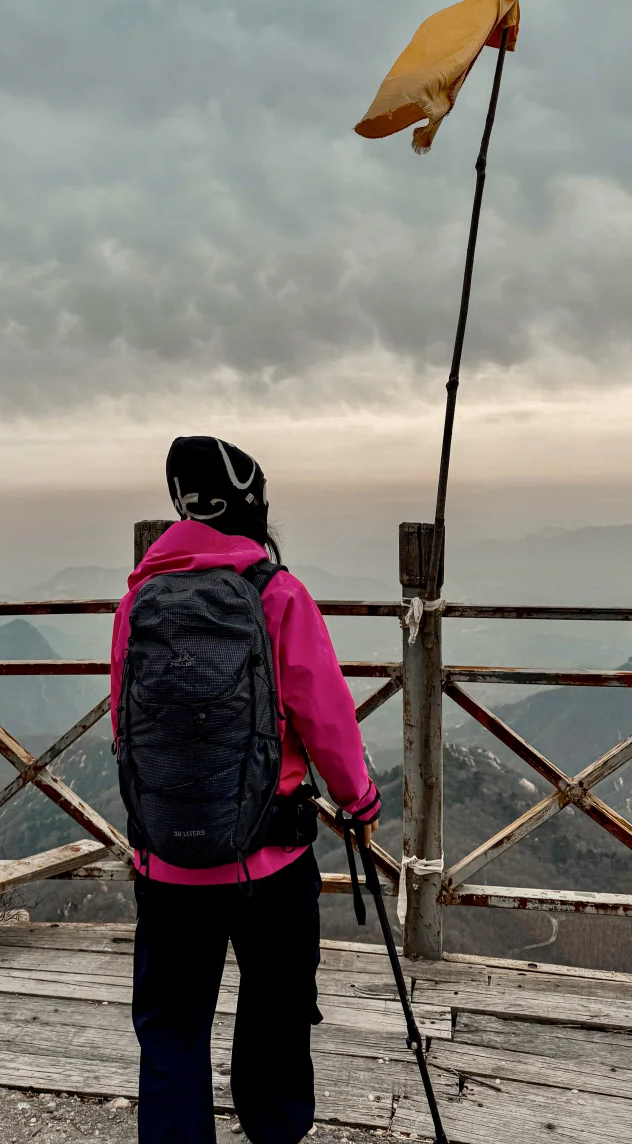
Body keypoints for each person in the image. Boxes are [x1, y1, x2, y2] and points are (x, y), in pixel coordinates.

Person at [111, 435, 381, 1144]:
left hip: (166, 860)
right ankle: (274, 1132)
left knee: (172, 1030)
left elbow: (123, 725)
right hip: (271, 859)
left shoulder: (137, 601)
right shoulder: (278, 594)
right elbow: (326, 716)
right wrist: (359, 801)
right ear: (253, 505)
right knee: (276, 1014)